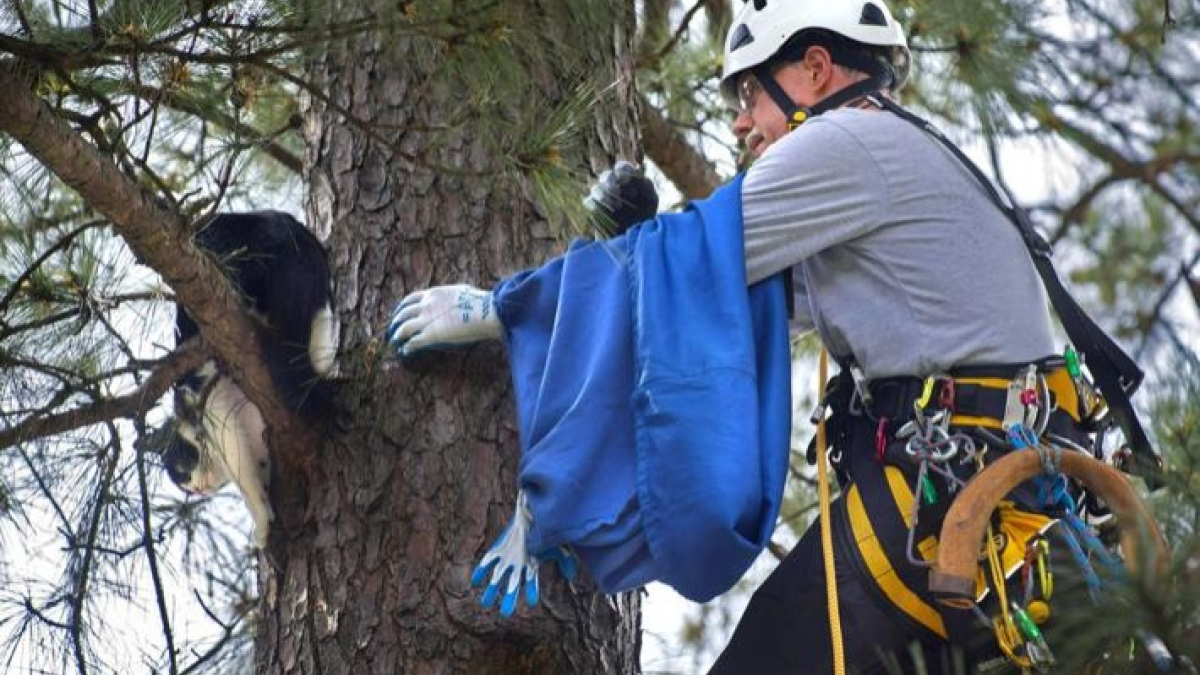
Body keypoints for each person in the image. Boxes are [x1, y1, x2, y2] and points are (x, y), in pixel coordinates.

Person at [388, 1, 1149, 672]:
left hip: (935, 506)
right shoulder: (907, 157)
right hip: (997, 522)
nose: (741, 121)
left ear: (816, 68)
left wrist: (501, 305)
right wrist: (638, 242)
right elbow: (734, 302)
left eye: (750, 91)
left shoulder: (846, 142)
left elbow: (697, 263)